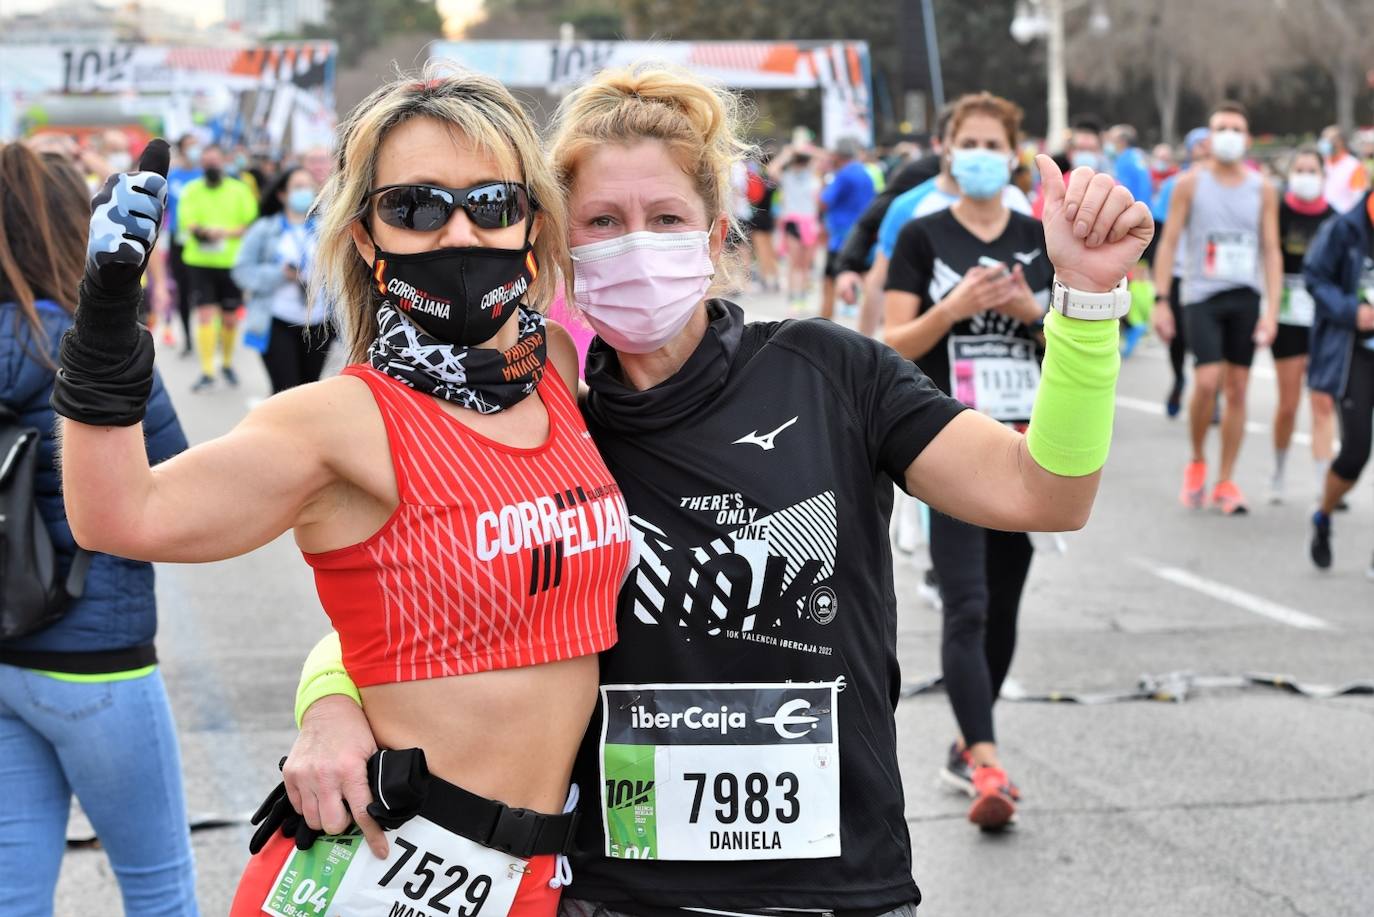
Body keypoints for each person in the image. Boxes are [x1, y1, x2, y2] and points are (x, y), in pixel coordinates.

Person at [285, 63, 1151, 915]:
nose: (636, 240)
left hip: (836, 883)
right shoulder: (547, 423)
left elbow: (1047, 494)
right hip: (619, 890)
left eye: (665, 217)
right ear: (561, 247)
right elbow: (406, 603)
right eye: (602, 220)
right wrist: (328, 705)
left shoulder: (830, 372)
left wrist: (1087, 299)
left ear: (711, 235)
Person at [51, 68, 630, 917]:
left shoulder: (559, 376)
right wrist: (104, 322)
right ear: (367, 238)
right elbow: (117, 516)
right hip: (381, 864)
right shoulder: (334, 423)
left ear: (533, 223)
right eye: (416, 208)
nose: (456, 231)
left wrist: (330, 691)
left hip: (538, 875)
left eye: (492, 203)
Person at [0, 143, 196, 915]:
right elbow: (175, 482)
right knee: (157, 886)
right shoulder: (87, 344)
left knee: (11, 890)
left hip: (3, 656)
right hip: (96, 657)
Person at [883, 91, 1061, 829]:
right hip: (949, 439)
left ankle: (966, 741)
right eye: (968, 142)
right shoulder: (922, 237)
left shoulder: (1040, 236)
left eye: (996, 141)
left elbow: (1085, 344)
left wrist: (1034, 313)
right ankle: (987, 760)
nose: (981, 153)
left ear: (1014, 152)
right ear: (948, 150)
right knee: (968, 601)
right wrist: (951, 311)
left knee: (1006, 598)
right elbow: (889, 344)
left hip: (1027, 443)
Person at [1152, 102, 1282, 515]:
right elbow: (1169, 241)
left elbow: (1272, 249)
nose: (1228, 134)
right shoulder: (1190, 184)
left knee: (1239, 389)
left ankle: (1226, 479)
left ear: (1246, 138)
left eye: (1236, 128)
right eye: (1221, 127)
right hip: (1201, 295)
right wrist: (1160, 301)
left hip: (1245, 294)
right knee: (1206, 381)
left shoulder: (1262, 189)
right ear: (1209, 138)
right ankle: (1197, 459)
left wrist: (1272, 311)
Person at [1305, 189, 1374, 577]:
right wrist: (1353, 311)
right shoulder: (1344, 229)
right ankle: (1324, 515)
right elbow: (1315, 278)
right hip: (1357, 354)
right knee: (1355, 453)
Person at [1270, 148, 1337, 504]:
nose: (1306, 175)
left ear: (1324, 176)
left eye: (1312, 170)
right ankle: (1278, 472)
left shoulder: (1335, 220)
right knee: (1288, 405)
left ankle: (1322, 483)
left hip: (1323, 320)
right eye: (1300, 169)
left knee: (1323, 403)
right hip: (1287, 319)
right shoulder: (1277, 213)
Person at [231, 165, 335, 393]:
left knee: (309, 390)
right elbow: (242, 271)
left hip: (318, 324)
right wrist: (280, 274)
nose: (304, 192)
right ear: (282, 194)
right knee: (285, 390)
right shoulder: (264, 229)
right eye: (297, 187)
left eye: (308, 187)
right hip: (277, 321)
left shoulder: (327, 230)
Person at [177, 144, 259, 391]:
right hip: (199, 262)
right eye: (206, 162)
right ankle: (207, 370)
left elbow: (250, 223)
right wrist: (203, 231)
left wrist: (224, 232)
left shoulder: (239, 190)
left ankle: (226, 363)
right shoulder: (192, 190)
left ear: (224, 162)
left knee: (230, 318)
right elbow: (186, 220)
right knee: (204, 315)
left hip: (231, 263)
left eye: (215, 161)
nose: (211, 166)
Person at [818, 137, 875, 319]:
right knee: (867, 281)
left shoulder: (843, 175)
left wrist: (822, 177)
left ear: (838, 156)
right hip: (863, 236)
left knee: (829, 283)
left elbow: (823, 202)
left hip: (840, 239)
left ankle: (823, 328)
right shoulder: (865, 172)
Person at [769, 143, 823, 311]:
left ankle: (802, 296)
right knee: (794, 263)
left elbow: (825, 159)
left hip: (810, 224)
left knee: (805, 264)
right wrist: (787, 152)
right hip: (793, 222)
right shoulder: (788, 176)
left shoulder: (814, 176)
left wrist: (808, 150)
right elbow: (771, 169)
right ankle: (794, 297)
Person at [165, 134, 203, 355]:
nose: (194, 150)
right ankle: (188, 338)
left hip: (204, 243)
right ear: (181, 150)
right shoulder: (173, 177)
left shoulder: (206, 176)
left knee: (203, 292)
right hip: (178, 240)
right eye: (190, 146)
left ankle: (211, 335)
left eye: (196, 145)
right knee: (183, 291)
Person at [1319, 125, 1370, 214]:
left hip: (1343, 217)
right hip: (1322, 214)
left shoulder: (1354, 165)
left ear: (1340, 142)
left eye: (1329, 138)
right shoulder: (1322, 163)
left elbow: (1358, 196)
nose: (1325, 142)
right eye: (1323, 138)